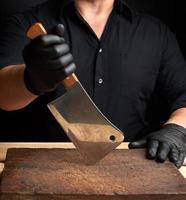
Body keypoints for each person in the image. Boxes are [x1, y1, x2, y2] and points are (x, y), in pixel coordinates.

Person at [0, 0, 186, 168]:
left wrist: (176, 129)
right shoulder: (26, 23)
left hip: (132, 166)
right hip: (41, 165)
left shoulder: (155, 32)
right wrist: (31, 78)